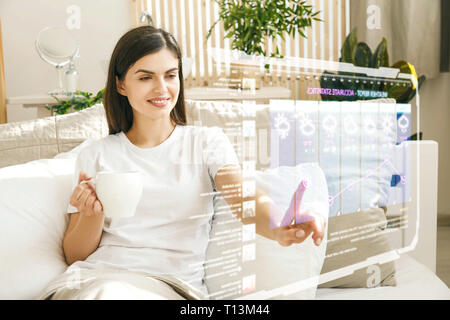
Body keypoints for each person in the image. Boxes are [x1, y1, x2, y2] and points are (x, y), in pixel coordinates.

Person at [39, 26, 325, 300]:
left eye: (170, 75)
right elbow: (75, 256)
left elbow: (243, 196)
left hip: (170, 286)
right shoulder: (96, 154)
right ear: (120, 84)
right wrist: (91, 214)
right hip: (95, 282)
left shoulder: (206, 143)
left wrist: (278, 223)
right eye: (145, 77)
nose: (161, 88)